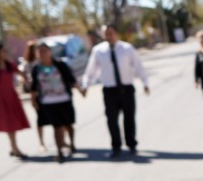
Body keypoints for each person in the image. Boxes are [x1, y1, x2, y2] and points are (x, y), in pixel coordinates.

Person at [81, 24, 150, 158]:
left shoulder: (127, 48)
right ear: (103, 35)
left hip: (127, 89)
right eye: (106, 33)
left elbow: (138, 66)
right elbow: (91, 70)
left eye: (111, 33)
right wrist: (86, 85)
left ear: (116, 33)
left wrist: (145, 83)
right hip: (109, 90)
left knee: (129, 118)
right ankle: (116, 146)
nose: (109, 36)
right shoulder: (98, 51)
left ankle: (131, 144)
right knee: (112, 120)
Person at [31, 42, 80, 163]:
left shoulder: (60, 65)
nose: (42, 54)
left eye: (44, 51)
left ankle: (72, 144)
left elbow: (71, 79)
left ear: (50, 52)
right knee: (57, 127)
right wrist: (33, 100)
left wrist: (81, 90)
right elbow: (34, 87)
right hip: (48, 102)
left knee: (68, 125)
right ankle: (59, 152)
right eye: (39, 51)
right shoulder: (36, 69)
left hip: (64, 99)